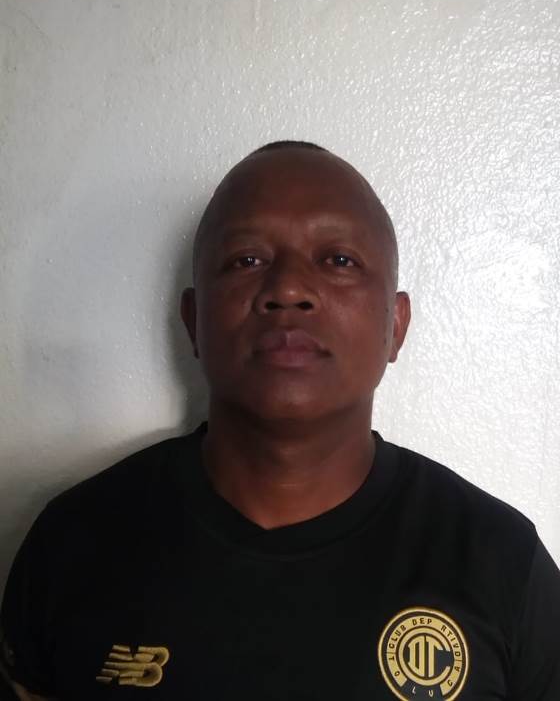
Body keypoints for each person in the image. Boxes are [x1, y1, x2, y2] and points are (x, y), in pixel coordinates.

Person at [1, 141, 559, 701]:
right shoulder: (72, 543)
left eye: (338, 260)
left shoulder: (499, 560)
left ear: (396, 324)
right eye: (247, 260)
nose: (288, 289)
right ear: (193, 322)